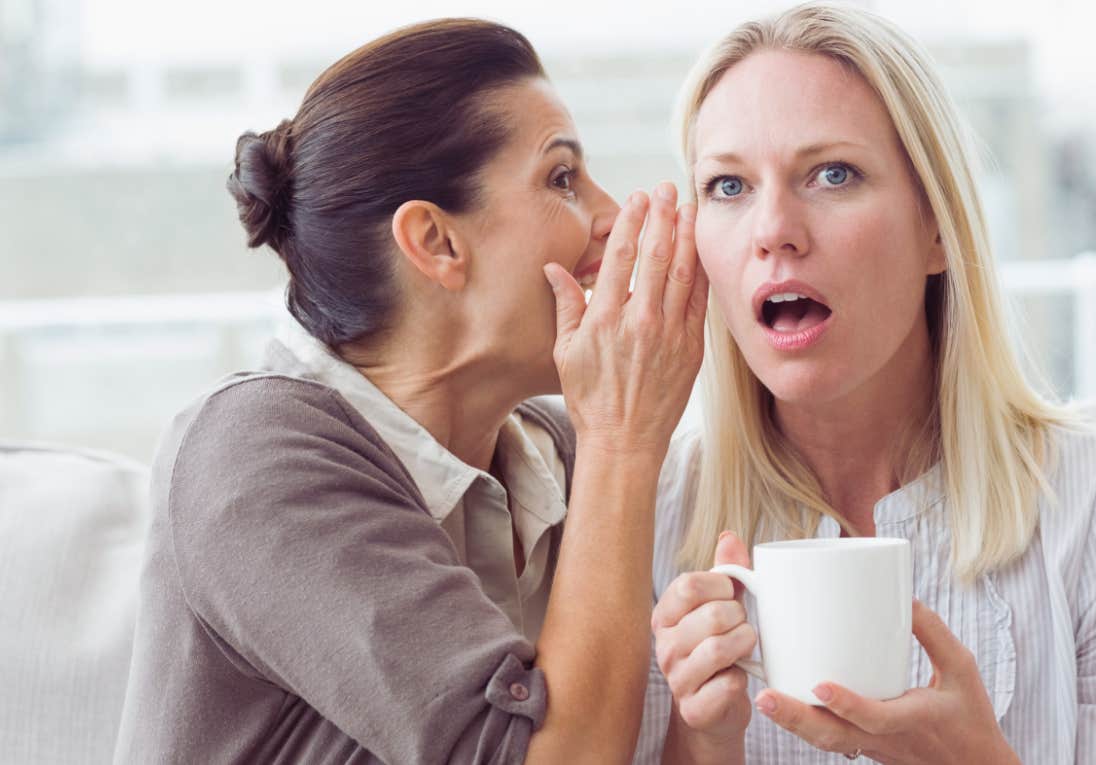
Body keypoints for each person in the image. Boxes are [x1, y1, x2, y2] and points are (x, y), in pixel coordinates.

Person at [113, 19, 708, 764]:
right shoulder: (254, 455)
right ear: (435, 242)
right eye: (561, 179)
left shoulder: (553, 452)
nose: (614, 217)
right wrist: (624, 439)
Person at [635, 3, 1096, 763]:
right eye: (729, 186)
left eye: (831, 173)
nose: (773, 227)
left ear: (936, 226)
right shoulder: (649, 515)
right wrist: (702, 743)